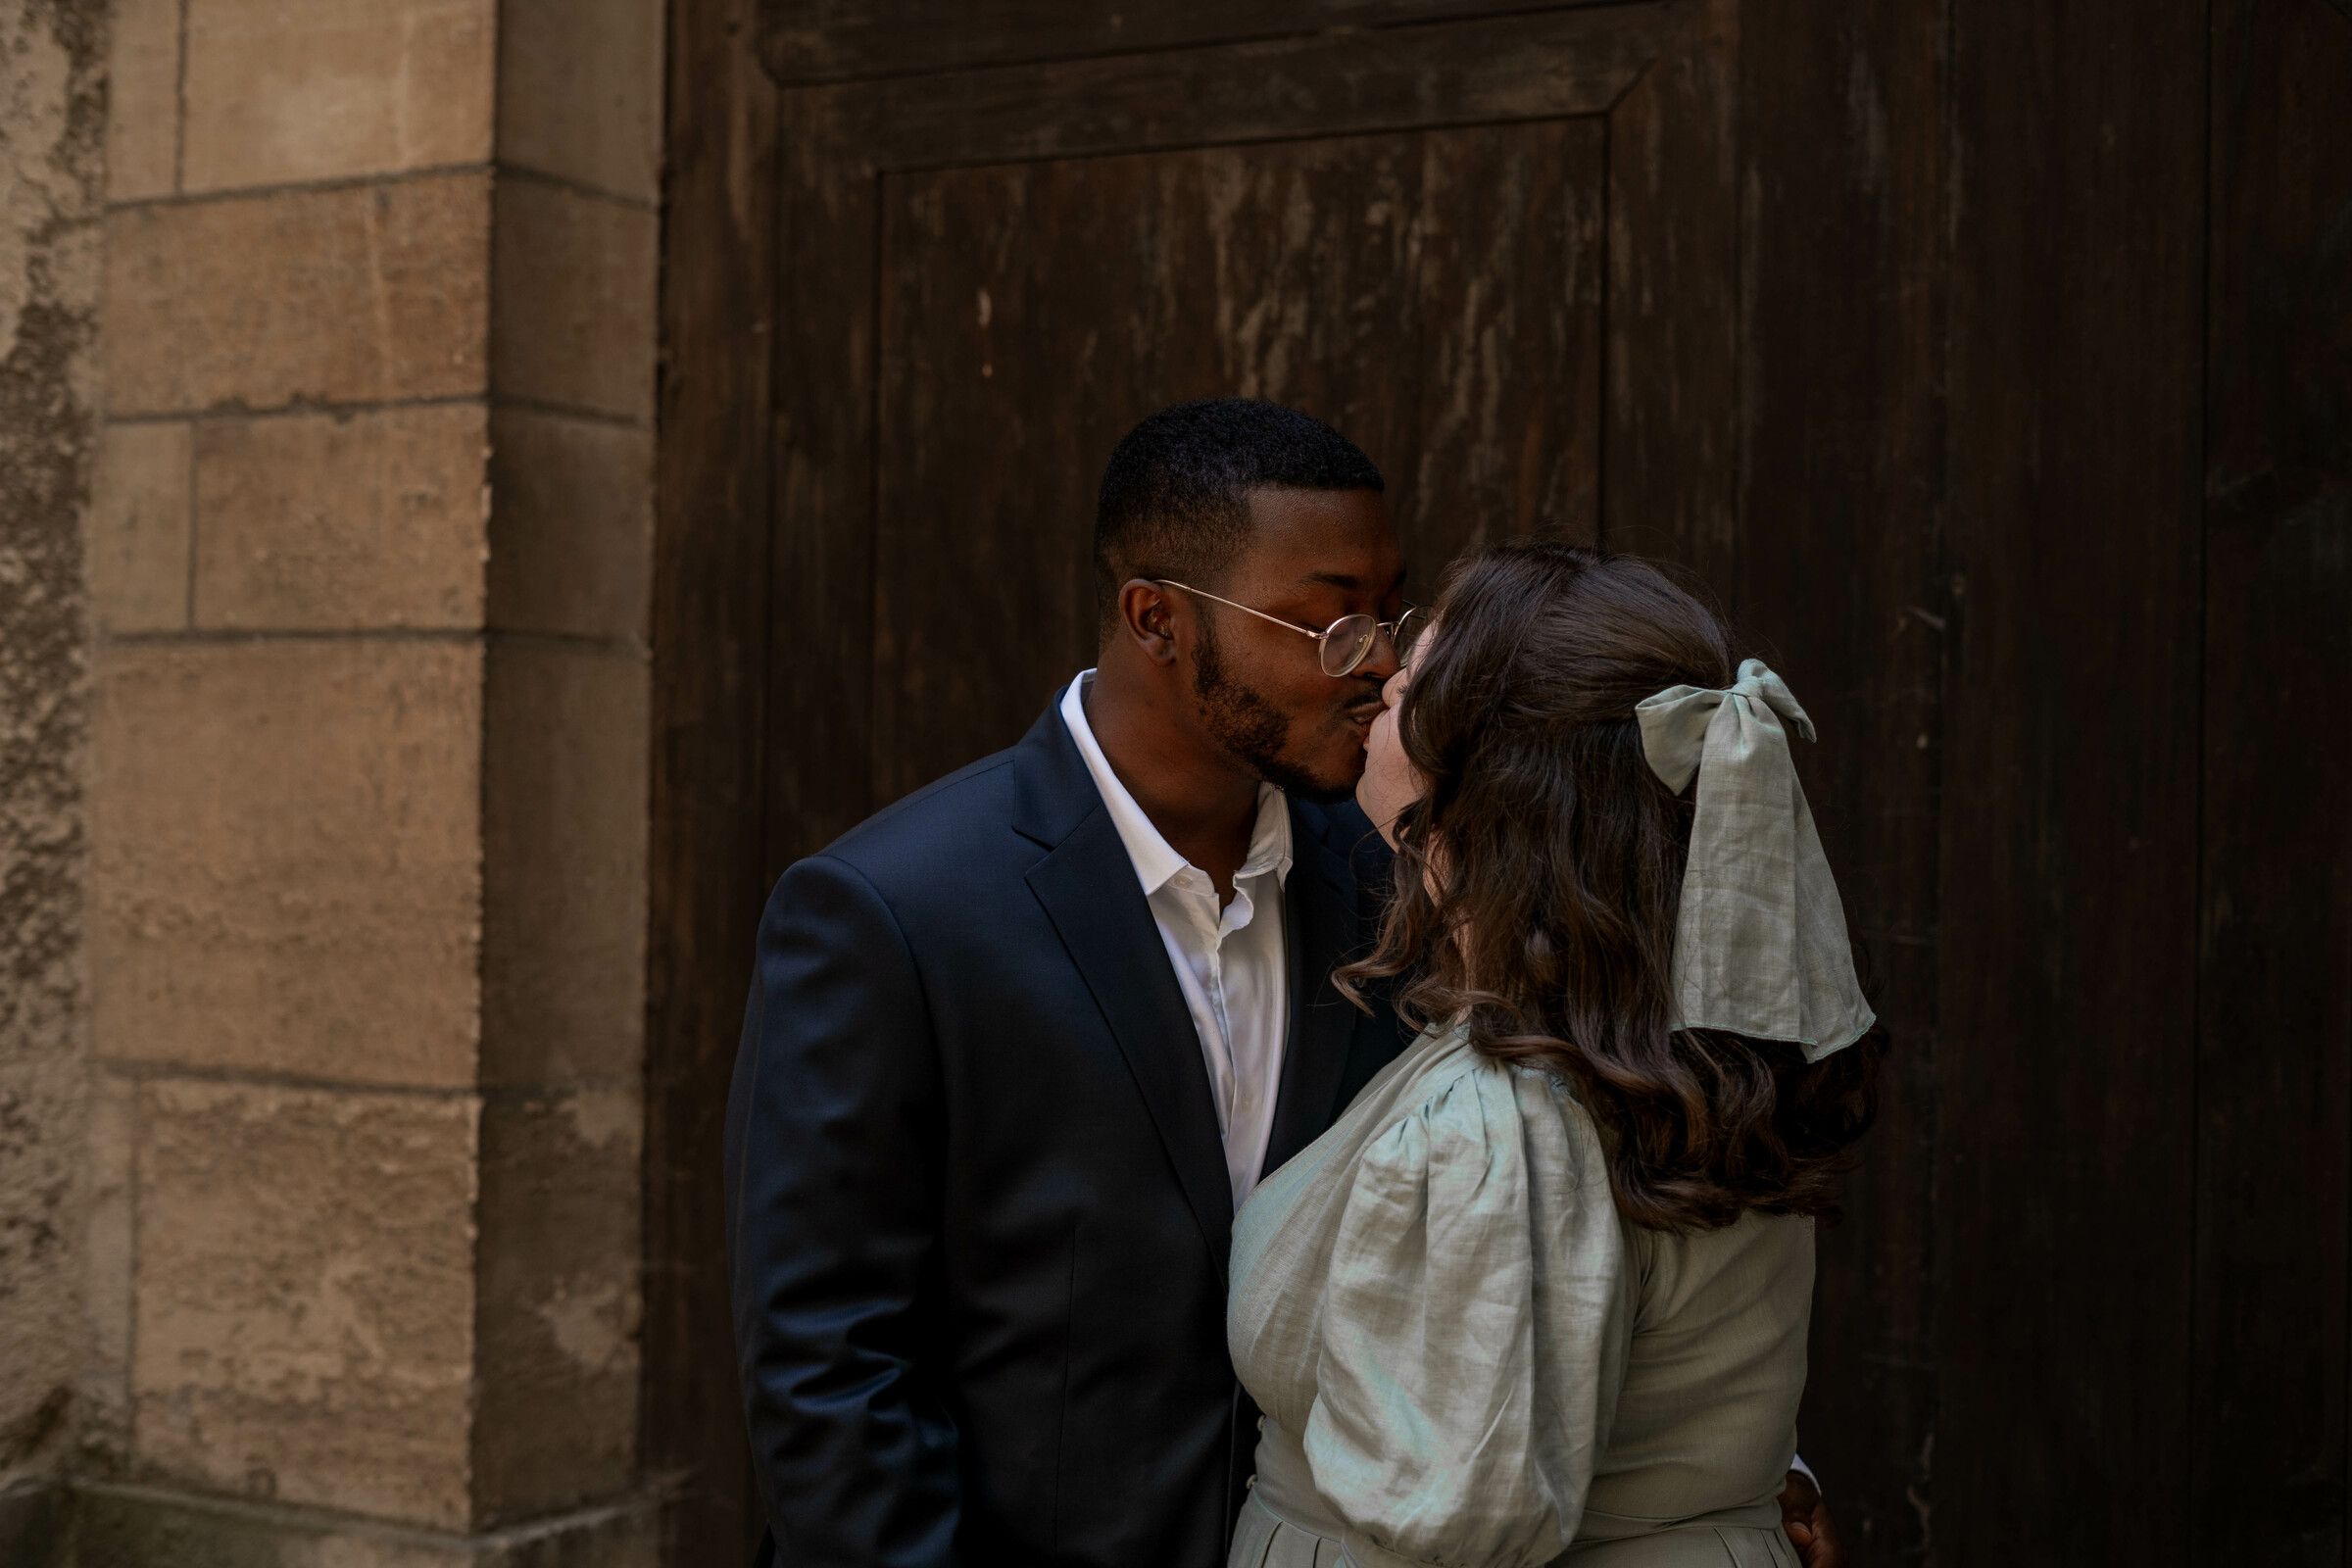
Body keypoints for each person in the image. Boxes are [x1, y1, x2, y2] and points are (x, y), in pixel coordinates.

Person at [725, 401, 1844, 1568]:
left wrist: (1740, 1473)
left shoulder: (1420, 879)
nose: (1377, 666)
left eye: (1387, 616)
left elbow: (1599, 1197)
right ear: (1157, 620)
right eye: (1325, 624)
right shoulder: (888, 912)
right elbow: (826, 1361)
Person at [1226, 543, 1882, 1567]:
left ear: (1501, 783)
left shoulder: (1501, 1121)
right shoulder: (1694, 1039)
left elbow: (1453, 1520)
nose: (1384, 674)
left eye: (1421, 673)